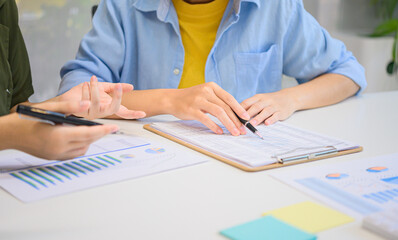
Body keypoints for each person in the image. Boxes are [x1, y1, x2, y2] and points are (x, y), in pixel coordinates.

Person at [59, 0, 367, 136]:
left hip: (243, 171)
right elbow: (74, 94)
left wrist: (290, 99)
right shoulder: (123, 6)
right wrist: (168, 101)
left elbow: (348, 73)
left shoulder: (275, 5)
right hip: (146, 168)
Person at [0, 0, 145, 160]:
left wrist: (61, 104)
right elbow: (11, 125)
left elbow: (15, 109)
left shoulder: (5, 5)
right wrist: (14, 135)